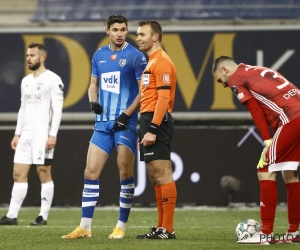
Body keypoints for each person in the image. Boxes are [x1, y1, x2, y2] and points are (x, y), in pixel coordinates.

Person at [61, 14, 147, 239]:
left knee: (124, 171)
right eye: (116, 29)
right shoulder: (99, 55)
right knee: (90, 171)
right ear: (107, 30)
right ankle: (85, 227)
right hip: (102, 124)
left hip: (125, 123)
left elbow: (143, 91)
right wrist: (93, 102)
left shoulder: (136, 56)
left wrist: (126, 115)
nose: (120, 34)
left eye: (123, 29)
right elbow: (93, 85)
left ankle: (121, 226)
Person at [212, 56, 300, 244]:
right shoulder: (258, 70)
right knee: (290, 174)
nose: (224, 85)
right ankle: (293, 233)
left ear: (226, 70)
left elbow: (255, 110)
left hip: (292, 118)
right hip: (295, 114)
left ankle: (266, 234)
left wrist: (267, 141)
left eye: (220, 80)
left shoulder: (236, 78)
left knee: (265, 169)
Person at [0, 43, 64, 226]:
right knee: (18, 173)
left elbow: (57, 110)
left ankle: (42, 216)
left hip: (42, 134)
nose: (29, 58)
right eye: (28, 55)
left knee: (43, 172)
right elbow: (23, 108)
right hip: (26, 135)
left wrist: (52, 135)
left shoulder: (53, 80)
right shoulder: (25, 81)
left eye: (33, 55)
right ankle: (12, 216)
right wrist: (17, 133)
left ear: (42, 58)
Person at [135, 20, 177, 240]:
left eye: (143, 34)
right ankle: (161, 226)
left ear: (155, 37)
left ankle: (168, 229)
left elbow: (163, 98)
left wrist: (152, 128)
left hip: (156, 122)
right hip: (148, 120)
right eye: (138, 34)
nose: (138, 38)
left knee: (163, 174)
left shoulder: (161, 62)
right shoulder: (150, 62)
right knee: (154, 176)